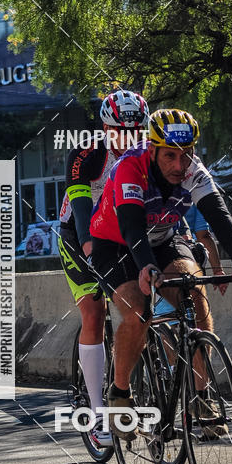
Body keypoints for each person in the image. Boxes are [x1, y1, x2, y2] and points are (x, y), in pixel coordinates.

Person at [89, 108, 232, 444]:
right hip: (117, 243)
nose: (179, 166)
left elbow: (219, 214)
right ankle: (120, 393)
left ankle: (200, 397)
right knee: (137, 312)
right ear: (151, 150)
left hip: (164, 238)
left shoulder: (193, 170)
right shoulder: (129, 168)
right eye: (170, 156)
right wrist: (146, 267)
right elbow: (131, 226)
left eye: (187, 155)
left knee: (194, 291)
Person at [59, 89, 149, 442]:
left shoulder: (149, 154)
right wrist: (88, 245)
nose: (129, 139)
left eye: (137, 131)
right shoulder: (87, 153)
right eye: (120, 131)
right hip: (80, 233)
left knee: (143, 308)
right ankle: (98, 415)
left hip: (123, 233)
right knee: (94, 316)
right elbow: (82, 210)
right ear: (105, 127)